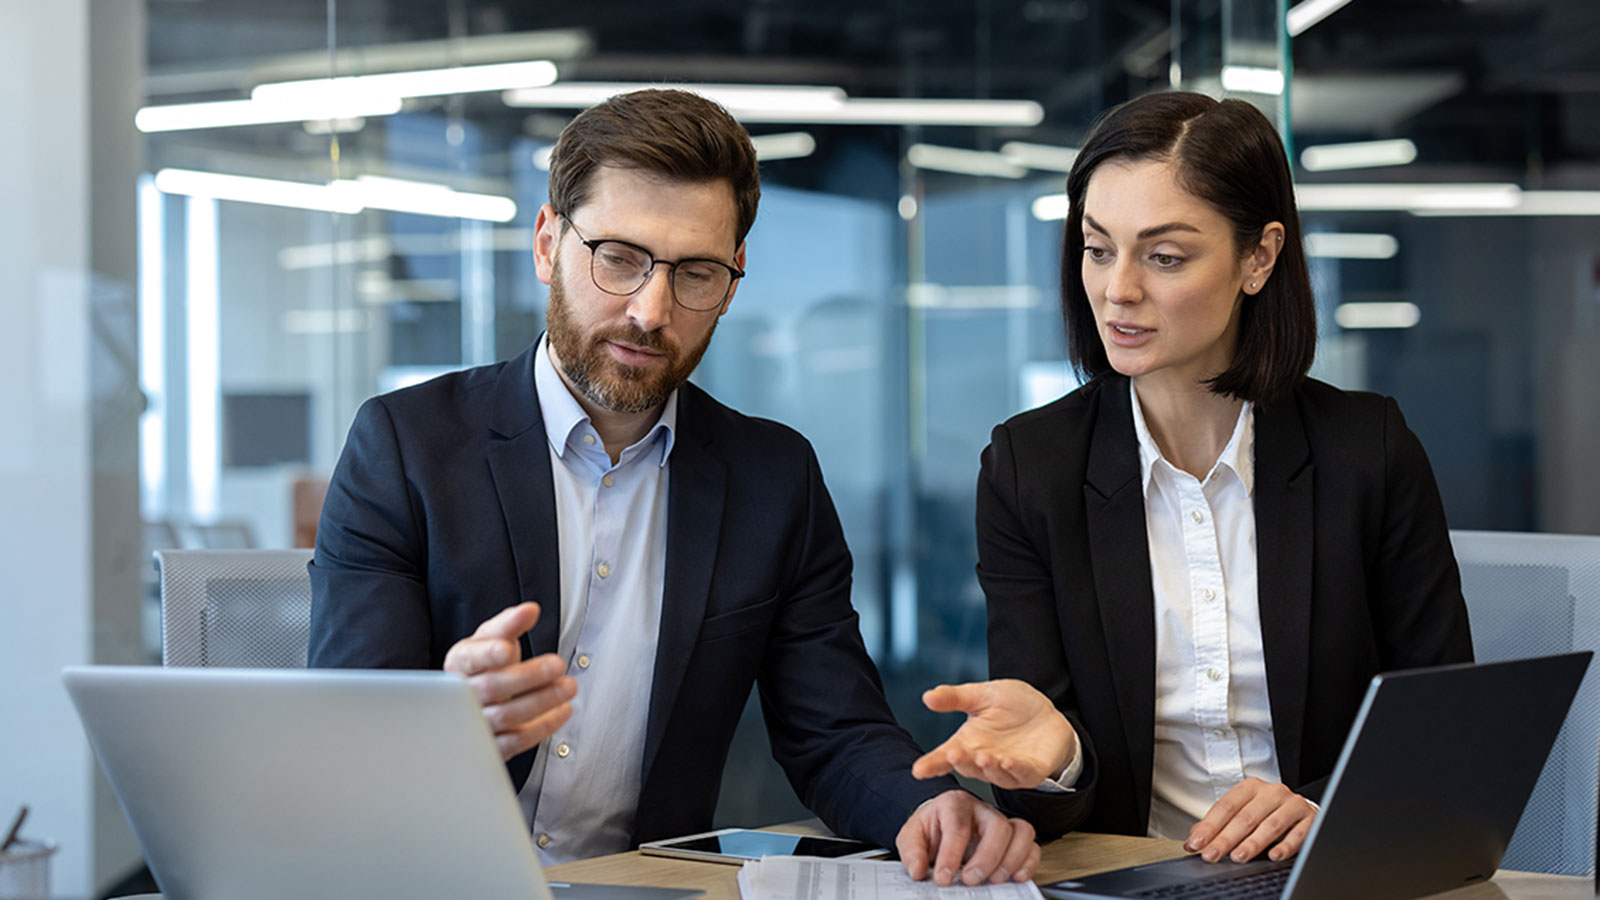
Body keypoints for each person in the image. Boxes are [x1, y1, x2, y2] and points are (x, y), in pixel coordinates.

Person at [307, 88, 1038, 886]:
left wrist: (923, 808)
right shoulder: (407, 447)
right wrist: (440, 719)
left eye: (694, 273)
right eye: (618, 258)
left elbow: (834, 731)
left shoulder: (773, 478)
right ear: (549, 243)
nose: (649, 311)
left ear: (733, 280)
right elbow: (346, 738)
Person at [911, 91, 1473, 866]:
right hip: (1129, 881)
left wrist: (1321, 806)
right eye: (1098, 248)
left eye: (1164, 256)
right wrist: (1058, 756)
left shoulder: (1366, 451)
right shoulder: (1029, 469)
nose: (1118, 290)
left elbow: (1444, 728)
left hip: (1328, 877)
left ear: (1259, 258)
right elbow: (1039, 783)